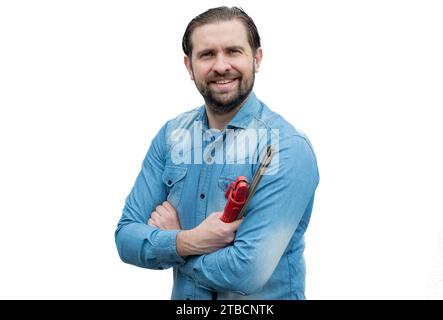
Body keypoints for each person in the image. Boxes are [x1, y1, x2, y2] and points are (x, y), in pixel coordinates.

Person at [115, 6, 319, 300]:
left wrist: (174, 244)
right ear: (189, 66)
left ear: (256, 58)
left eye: (233, 51)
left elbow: (246, 271)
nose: (221, 66)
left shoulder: (286, 148)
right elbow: (125, 238)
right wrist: (191, 240)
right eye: (207, 54)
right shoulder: (171, 137)